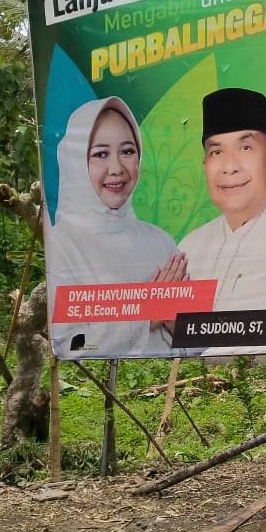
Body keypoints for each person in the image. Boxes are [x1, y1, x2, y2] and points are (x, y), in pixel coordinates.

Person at [45, 97, 186, 357]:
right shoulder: (61, 243)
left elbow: (198, 343)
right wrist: (149, 314)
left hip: (170, 389)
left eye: (127, 151)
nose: (117, 168)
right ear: (75, 163)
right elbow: (71, 344)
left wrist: (176, 323)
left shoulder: (160, 240)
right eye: (100, 154)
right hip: (96, 391)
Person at [179, 87, 266, 313]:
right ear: (205, 166)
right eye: (216, 152)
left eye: (245, 147)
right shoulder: (189, 248)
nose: (230, 167)